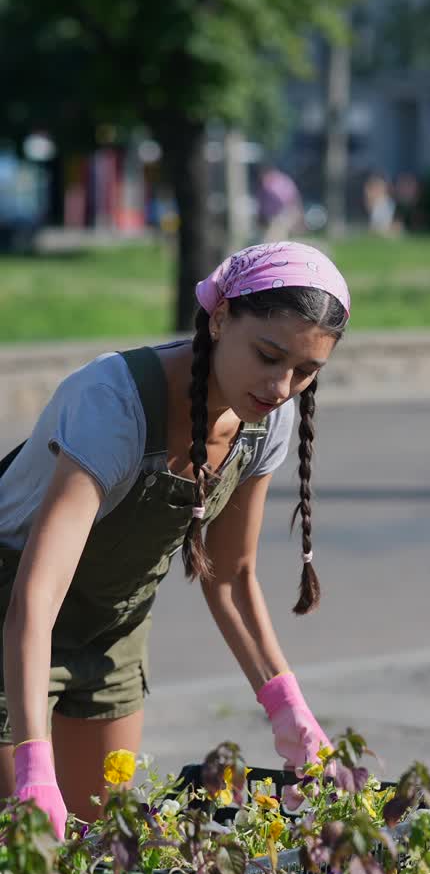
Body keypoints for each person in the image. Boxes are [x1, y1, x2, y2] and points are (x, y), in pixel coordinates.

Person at [0, 241, 351, 839]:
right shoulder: (114, 403)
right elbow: (36, 596)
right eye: (268, 355)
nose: (281, 385)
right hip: (13, 611)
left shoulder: (265, 419)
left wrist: (285, 705)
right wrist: (34, 764)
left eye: (306, 370)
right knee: (24, 857)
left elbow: (232, 576)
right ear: (219, 319)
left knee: (103, 845)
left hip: (115, 628)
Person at [256, 165, 304, 240]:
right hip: (273, 216)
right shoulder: (265, 185)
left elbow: (288, 200)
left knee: (275, 233)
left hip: (285, 212)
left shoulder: (278, 183)